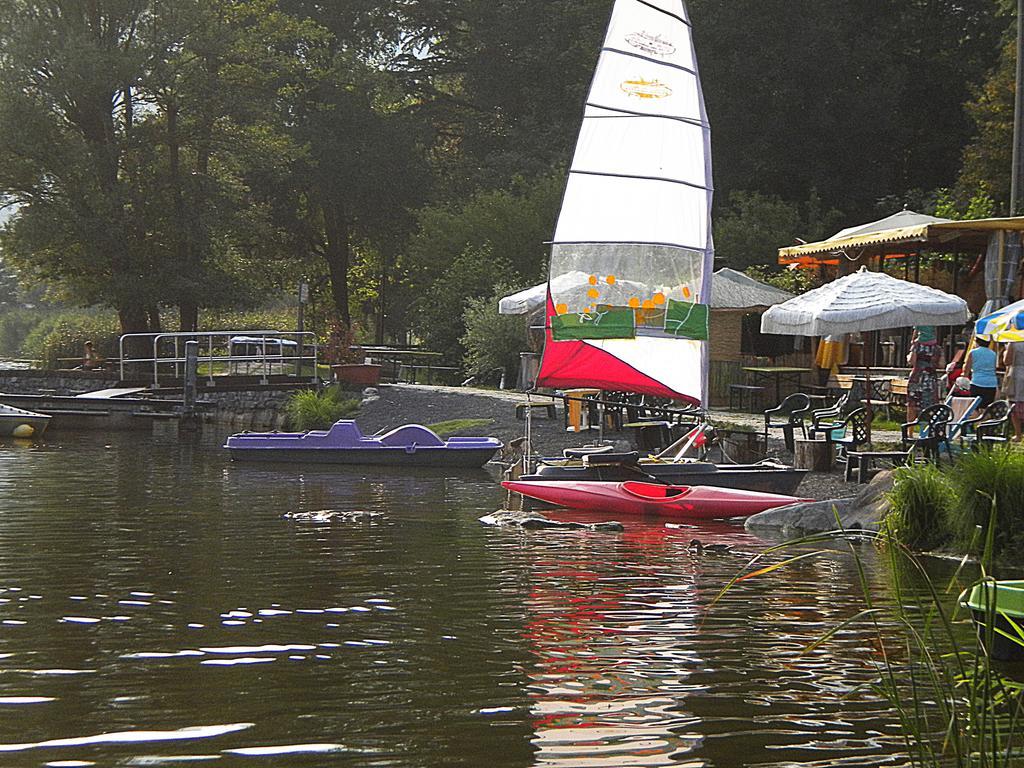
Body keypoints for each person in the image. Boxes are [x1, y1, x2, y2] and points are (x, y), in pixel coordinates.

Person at [906, 326, 941, 425]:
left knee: (912, 404)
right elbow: (941, 364)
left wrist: (910, 353)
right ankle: (928, 429)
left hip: (917, 377)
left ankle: (910, 431)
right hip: (930, 378)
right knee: (930, 404)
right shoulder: (937, 348)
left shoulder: (917, 346)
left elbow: (911, 361)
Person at [964, 336, 998, 407]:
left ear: (977, 342)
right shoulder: (993, 354)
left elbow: (966, 369)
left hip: (977, 382)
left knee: (975, 406)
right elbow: (994, 368)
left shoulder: (973, 352)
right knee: (987, 407)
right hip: (991, 383)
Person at [1001, 340, 1024, 441]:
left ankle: (1018, 434)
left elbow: (1007, 361)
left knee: (1014, 402)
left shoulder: (1013, 341)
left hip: (1017, 374)